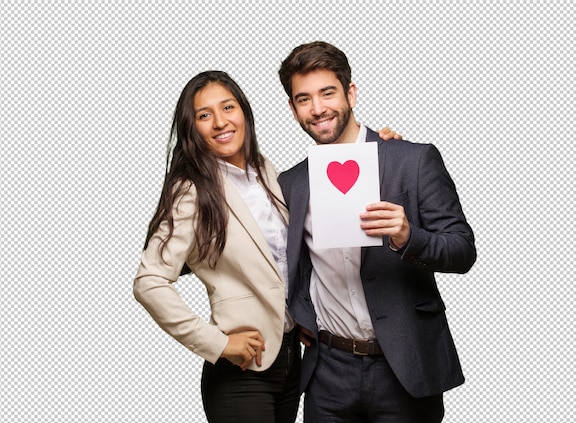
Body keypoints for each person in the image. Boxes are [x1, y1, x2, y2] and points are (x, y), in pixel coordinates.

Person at [133, 70, 400, 422]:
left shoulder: (268, 173)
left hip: (292, 362)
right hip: (240, 370)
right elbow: (149, 282)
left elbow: (297, 255)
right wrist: (218, 343)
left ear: (244, 112)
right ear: (192, 128)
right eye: (204, 115)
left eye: (228, 107)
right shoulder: (192, 190)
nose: (219, 122)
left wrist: (379, 148)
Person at [277, 41, 477, 422]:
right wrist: (299, 311)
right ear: (292, 108)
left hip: (403, 367)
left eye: (327, 93)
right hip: (328, 374)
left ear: (351, 93)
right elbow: (286, 260)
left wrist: (408, 236)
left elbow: (463, 250)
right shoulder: (291, 184)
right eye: (304, 99)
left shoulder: (411, 160)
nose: (317, 109)